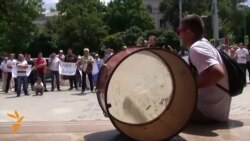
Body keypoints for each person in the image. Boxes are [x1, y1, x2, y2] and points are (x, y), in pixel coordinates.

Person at [178, 14, 231, 122]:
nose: (179, 35)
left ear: (188, 31)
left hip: (207, 111)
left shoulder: (196, 48)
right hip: (216, 109)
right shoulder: (205, 44)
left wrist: (189, 87)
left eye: (179, 31)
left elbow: (217, 73)